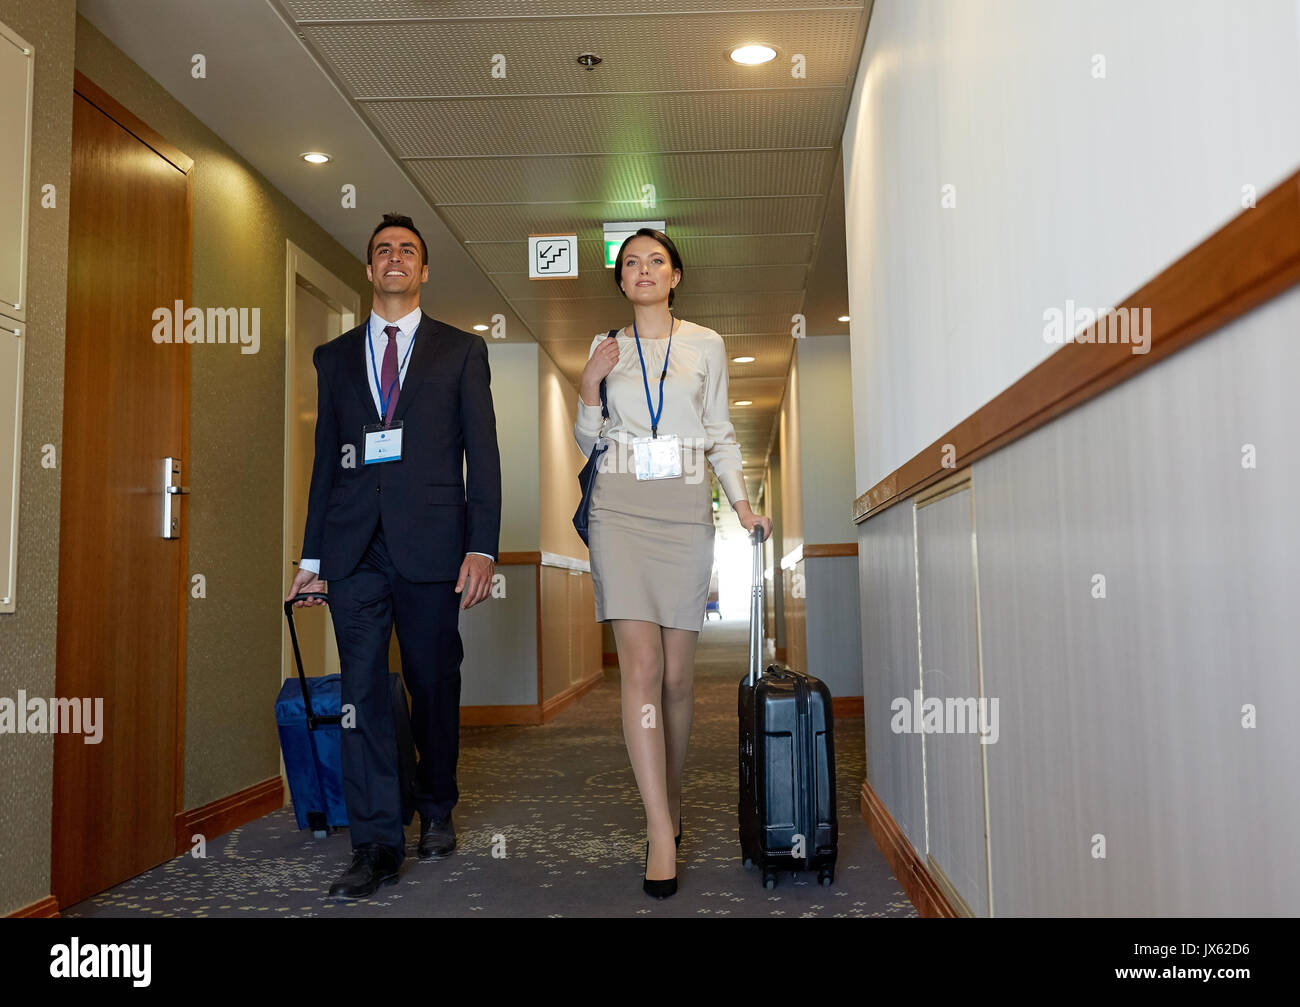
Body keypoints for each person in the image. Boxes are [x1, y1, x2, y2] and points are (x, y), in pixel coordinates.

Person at [285, 213, 501, 899]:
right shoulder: (335, 358)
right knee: (362, 692)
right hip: (354, 548)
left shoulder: (460, 352)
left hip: (433, 542)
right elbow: (326, 463)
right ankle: (375, 842)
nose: (395, 258)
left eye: (408, 250)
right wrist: (313, 554)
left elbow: (483, 458)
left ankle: (435, 804)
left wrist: (482, 546)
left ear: (424, 269)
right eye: (383, 251)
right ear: (370, 269)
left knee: (432, 680)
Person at [574, 228, 772, 899]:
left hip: (686, 508)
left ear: (676, 275)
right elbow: (588, 439)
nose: (644, 270)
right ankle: (659, 826)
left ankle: (673, 792)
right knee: (644, 668)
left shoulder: (706, 344)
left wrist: (742, 505)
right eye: (631, 263)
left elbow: (718, 431)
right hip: (620, 509)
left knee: (681, 678)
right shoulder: (607, 348)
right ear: (621, 281)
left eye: (655, 260)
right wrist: (588, 385)